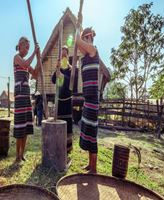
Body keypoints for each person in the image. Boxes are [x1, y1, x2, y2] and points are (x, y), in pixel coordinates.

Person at [76, 26, 102, 173]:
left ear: (89, 39)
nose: (82, 46)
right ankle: (89, 164)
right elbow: (78, 44)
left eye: (87, 39)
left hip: (93, 99)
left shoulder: (93, 50)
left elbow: (77, 41)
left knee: (92, 133)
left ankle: (94, 168)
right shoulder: (85, 58)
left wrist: (78, 29)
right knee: (87, 130)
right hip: (88, 98)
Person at [13, 36, 40, 162]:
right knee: (19, 126)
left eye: (29, 48)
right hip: (19, 96)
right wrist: (35, 52)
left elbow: (35, 74)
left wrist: (39, 59)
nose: (28, 49)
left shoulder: (26, 62)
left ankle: (22, 154)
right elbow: (25, 64)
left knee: (26, 126)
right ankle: (17, 155)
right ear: (20, 45)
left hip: (27, 96)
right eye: (27, 47)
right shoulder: (17, 58)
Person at [51, 46, 73, 154]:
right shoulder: (58, 68)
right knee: (58, 122)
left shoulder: (71, 69)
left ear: (67, 56)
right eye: (61, 55)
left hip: (68, 100)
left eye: (65, 54)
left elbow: (72, 83)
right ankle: (58, 146)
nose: (63, 56)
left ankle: (67, 150)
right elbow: (53, 80)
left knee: (68, 124)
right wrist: (57, 69)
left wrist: (63, 76)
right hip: (58, 100)